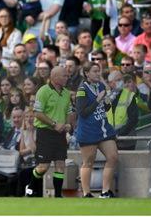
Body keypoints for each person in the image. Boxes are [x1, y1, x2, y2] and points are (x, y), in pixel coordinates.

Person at [26, 66, 72, 198]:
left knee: (60, 164)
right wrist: (53, 124)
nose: (66, 77)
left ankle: (58, 195)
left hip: (60, 134)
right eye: (64, 75)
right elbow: (37, 113)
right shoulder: (43, 91)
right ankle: (30, 187)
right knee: (43, 167)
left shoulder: (66, 93)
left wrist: (68, 124)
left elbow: (68, 111)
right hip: (45, 132)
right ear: (55, 77)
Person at [75, 62, 118, 198]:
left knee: (113, 157)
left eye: (98, 71)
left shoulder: (100, 86)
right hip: (88, 130)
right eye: (94, 71)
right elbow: (82, 112)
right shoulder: (82, 89)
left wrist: (106, 102)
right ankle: (86, 192)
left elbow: (105, 108)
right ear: (87, 73)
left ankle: (105, 191)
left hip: (103, 128)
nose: (97, 73)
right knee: (88, 162)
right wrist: (97, 100)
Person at [106, 70, 139, 150]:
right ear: (111, 83)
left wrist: (119, 133)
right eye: (118, 80)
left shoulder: (129, 95)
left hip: (126, 140)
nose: (121, 82)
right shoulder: (105, 96)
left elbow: (133, 119)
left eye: (121, 80)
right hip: (108, 140)